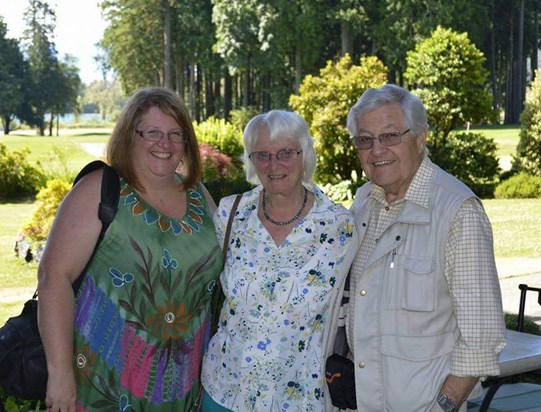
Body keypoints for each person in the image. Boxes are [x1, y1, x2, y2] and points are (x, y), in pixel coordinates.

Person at [37, 87, 223, 411]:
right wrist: (59, 372)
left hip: (182, 387)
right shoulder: (101, 188)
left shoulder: (199, 196)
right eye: (152, 132)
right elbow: (54, 277)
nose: (164, 144)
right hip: (103, 385)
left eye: (175, 134)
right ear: (129, 136)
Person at [344, 84, 506, 411]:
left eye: (390, 136)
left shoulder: (457, 213)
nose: (377, 151)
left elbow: (481, 341)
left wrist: (441, 407)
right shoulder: (363, 204)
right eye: (365, 140)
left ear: (420, 138)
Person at [200, 110, 359, 411]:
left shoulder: (340, 226)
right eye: (262, 155)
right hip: (226, 388)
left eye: (285, 153)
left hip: (298, 396)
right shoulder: (231, 215)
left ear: (304, 154)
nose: (274, 165)